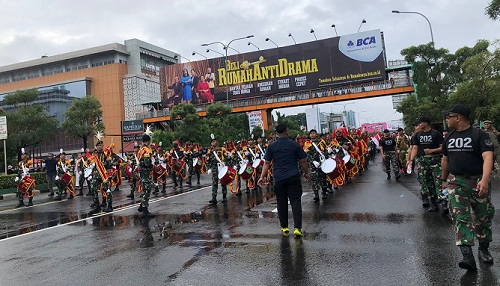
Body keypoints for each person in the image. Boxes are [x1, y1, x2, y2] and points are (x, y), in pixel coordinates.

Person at [441, 104, 495, 271]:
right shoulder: (449, 136)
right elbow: (445, 159)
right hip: (456, 182)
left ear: (458, 117)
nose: (447, 120)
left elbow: (488, 157)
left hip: (478, 181)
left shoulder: (480, 134)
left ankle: (483, 249)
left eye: (449, 116)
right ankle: (467, 256)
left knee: (483, 217)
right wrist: (444, 180)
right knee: (460, 217)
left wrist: (485, 180)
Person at [258, 124, 310, 238]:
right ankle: (297, 228)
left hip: (279, 178)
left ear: (276, 133)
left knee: (281, 203)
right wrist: (306, 173)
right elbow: (303, 160)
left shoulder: (272, 146)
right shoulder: (294, 144)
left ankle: (285, 227)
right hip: (293, 177)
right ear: (287, 131)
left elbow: (266, 163)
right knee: (295, 202)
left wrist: (262, 176)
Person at [407, 116, 444, 212]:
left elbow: (442, 147)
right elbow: (415, 148)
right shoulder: (417, 135)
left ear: (426, 123)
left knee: (439, 182)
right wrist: (411, 160)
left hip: (435, 160)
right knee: (427, 183)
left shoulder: (436, 133)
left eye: (420, 123)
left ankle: (444, 203)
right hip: (423, 161)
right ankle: (433, 203)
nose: (419, 125)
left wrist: (433, 150)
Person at [137, 134, 155, 218]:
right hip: (145, 172)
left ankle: (142, 206)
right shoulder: (146, 150)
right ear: (147, 141)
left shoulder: (141, 149)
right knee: (147, 190)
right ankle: (145, 209)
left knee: (145, 189)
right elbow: (146, 162)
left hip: (143, 172)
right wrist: (151, 166)